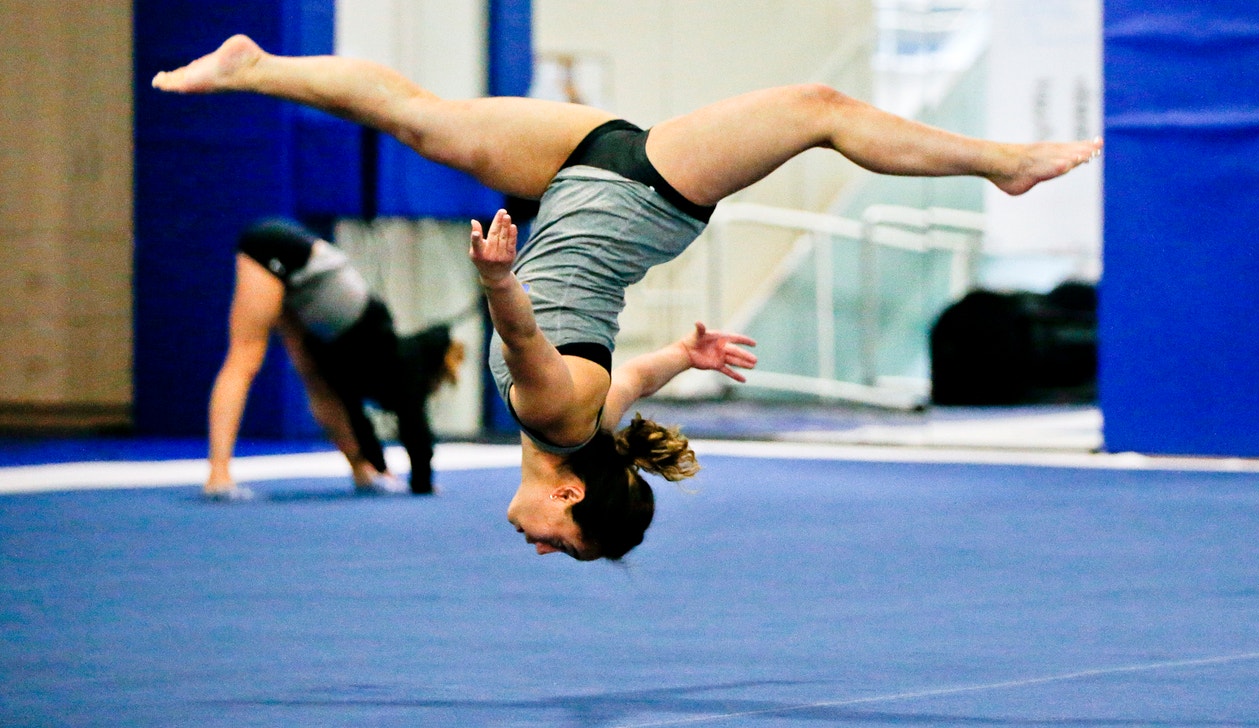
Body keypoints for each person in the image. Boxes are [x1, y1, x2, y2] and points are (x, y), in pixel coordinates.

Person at [153, 35, 1102, 554]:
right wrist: (494, 283)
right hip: (636, 191)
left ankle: (258, 68)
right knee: (820, 111)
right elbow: (524, 342)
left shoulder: (591, 425)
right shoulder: (553, 412)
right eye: (559, 543)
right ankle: (1002, 165)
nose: (539, 548)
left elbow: (633, 372)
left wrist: (685, 357)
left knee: (423, 122)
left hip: (580, 183)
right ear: (568, 495)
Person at [206, 217, 463, 500]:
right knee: (245, 358)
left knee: (319, 383)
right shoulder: (400, 369)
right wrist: (422, 485)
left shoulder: (375, 360)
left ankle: (364, 471)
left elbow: (352, 408)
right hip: (282, 251)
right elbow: (415, 430)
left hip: (308, 293)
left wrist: (380, 465)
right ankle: (218, 476)